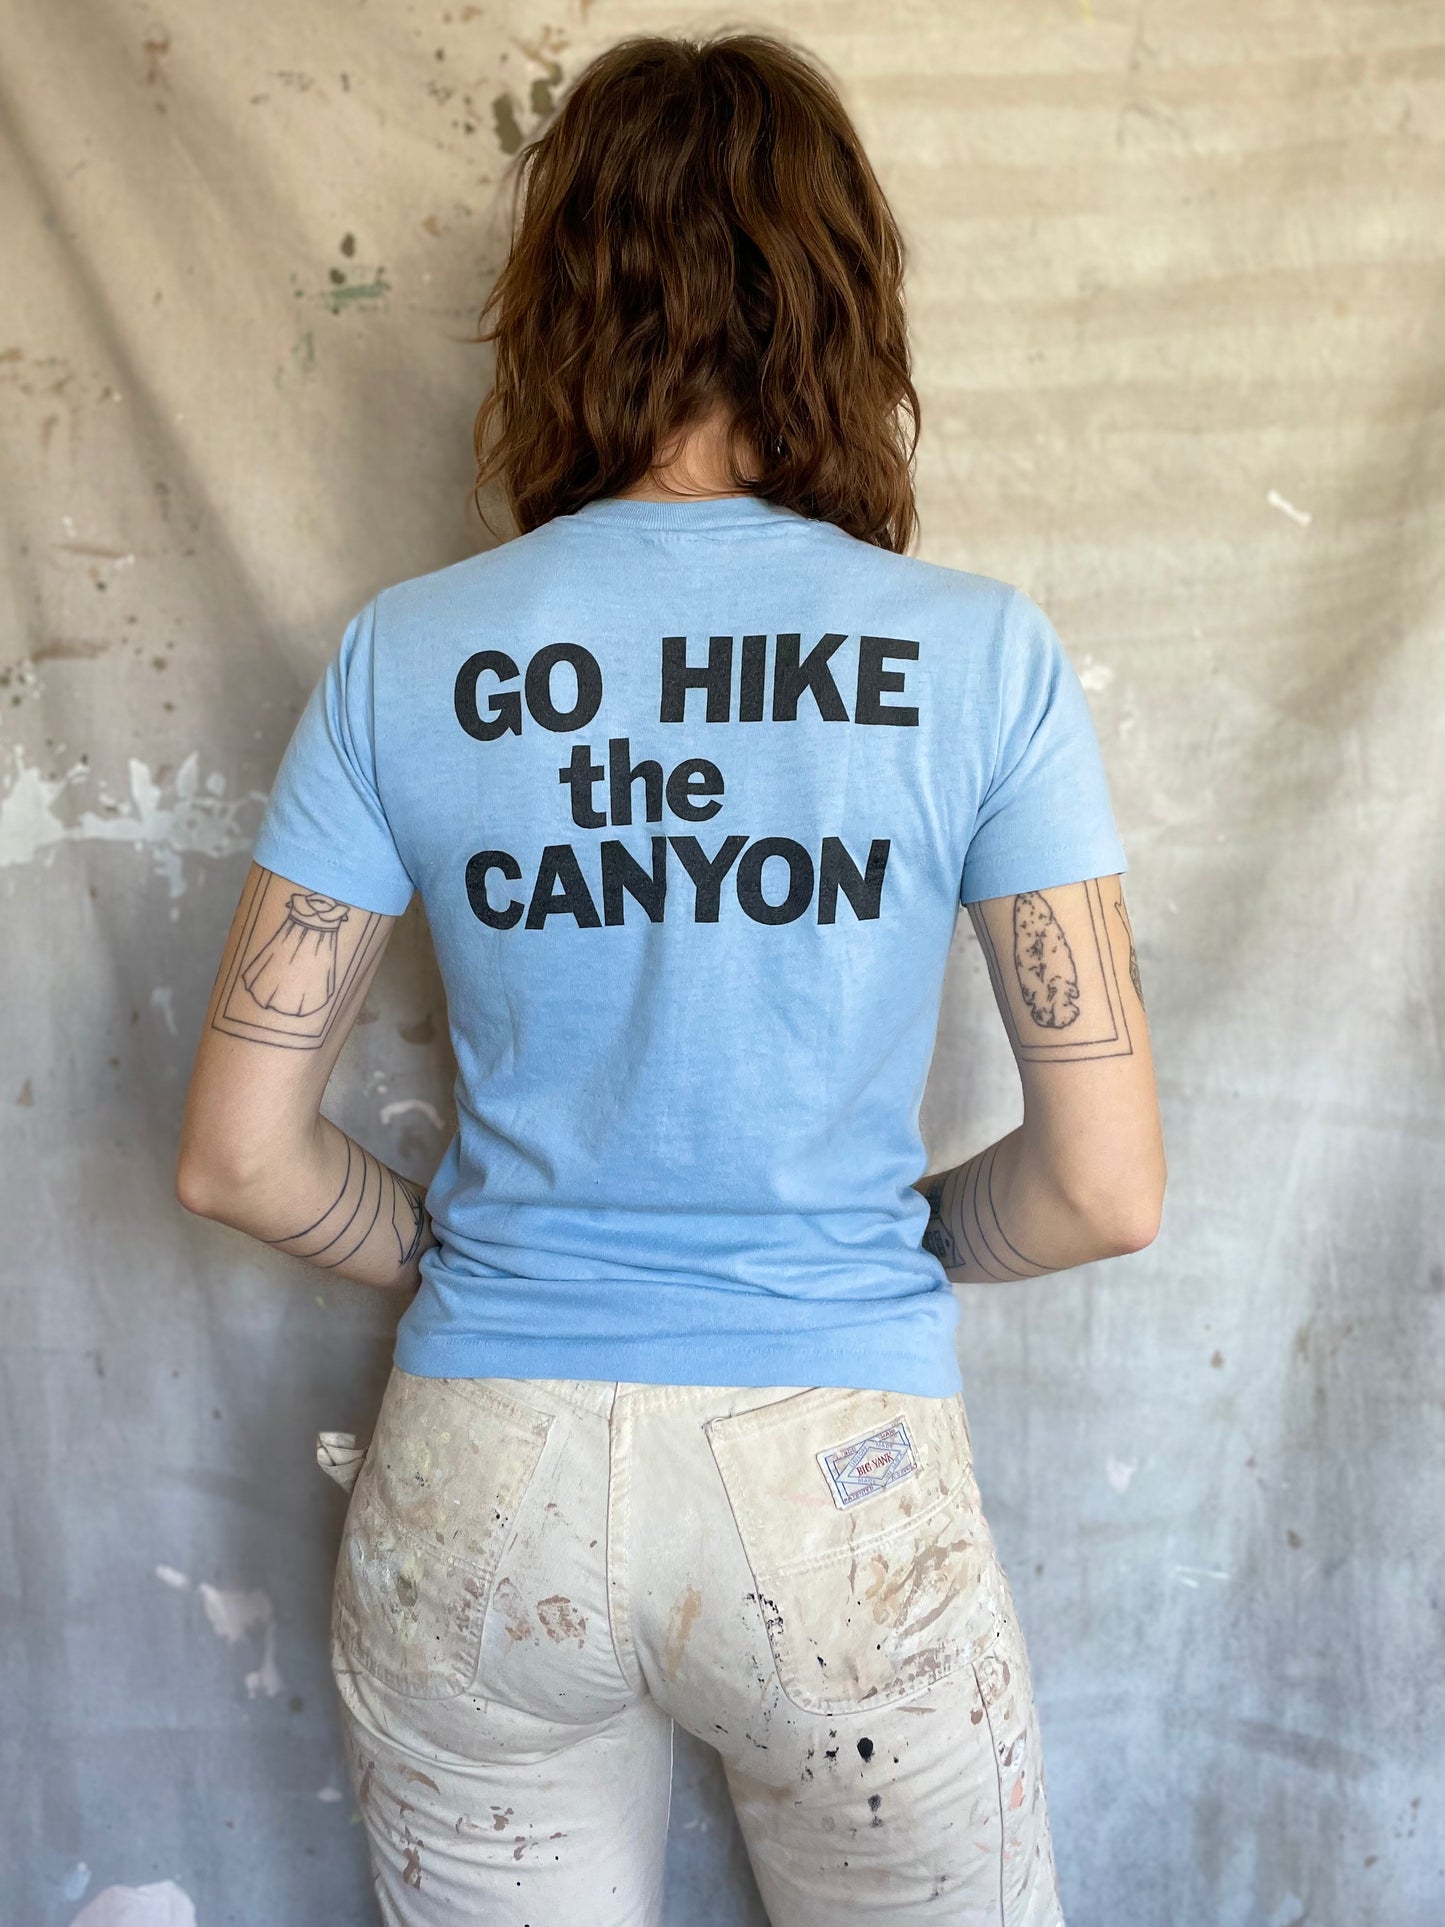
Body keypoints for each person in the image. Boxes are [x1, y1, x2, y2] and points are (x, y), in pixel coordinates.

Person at [176, 28, 1165, 1927]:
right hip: (840, 1477)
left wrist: (466, 1255)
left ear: (559, 309)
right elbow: (1105, 1190)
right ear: (841, 306)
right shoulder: (979, 658)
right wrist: (866, 1249)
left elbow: (233, 1156)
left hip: (483, 1473)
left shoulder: (407, 655)